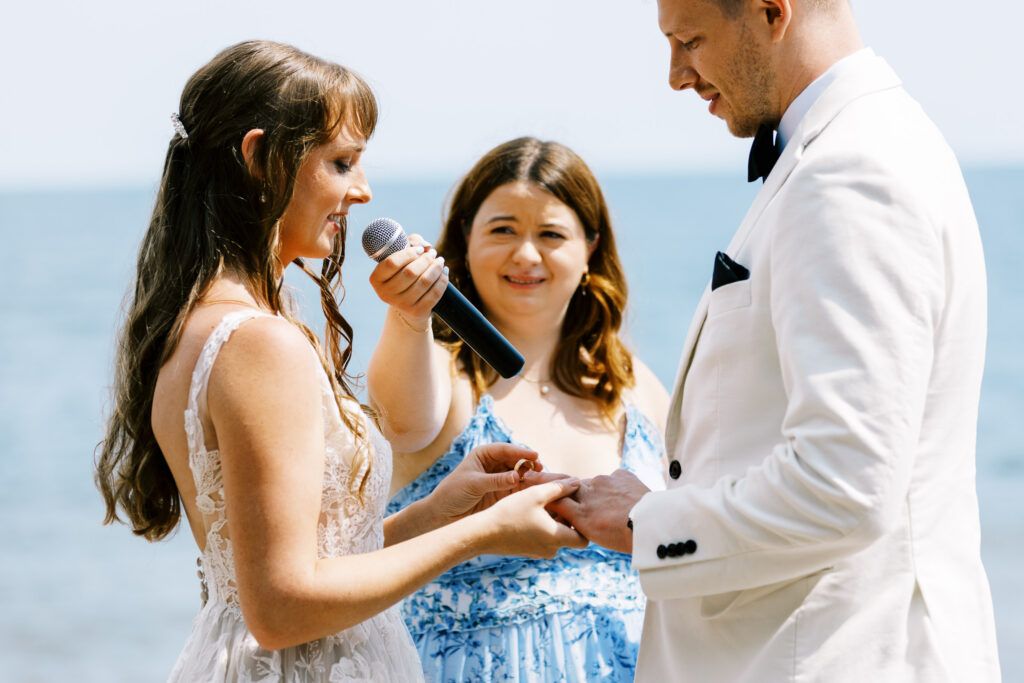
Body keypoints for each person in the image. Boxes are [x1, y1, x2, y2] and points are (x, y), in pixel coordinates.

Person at [94, 41, 587, 682]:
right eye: (342, 162)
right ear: (259, 159)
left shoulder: (205, 320)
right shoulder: (258, 342)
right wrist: (484, 536)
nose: (362, 191)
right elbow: (280, 608)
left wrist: (443, 508)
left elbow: (314, 563)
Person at [548, 1, 1002, 681]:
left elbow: (844, 483)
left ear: (770, 11)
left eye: (689, 41)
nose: (676, 76)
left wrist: (651, 521)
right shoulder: (868, 144)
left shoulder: (850, 172)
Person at [365, 136, 670, 681]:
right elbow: (402, 420)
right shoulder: (441, 370)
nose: (526, 254)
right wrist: (408, 314)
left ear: (590, 247)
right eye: (503, 230)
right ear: (466, 237)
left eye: (551, 234)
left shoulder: (635, 386)